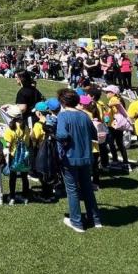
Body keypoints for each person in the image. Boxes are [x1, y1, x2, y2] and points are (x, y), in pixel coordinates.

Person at [55, 88, 101, 233]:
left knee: (73, 190)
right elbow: (94, 134)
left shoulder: (63, 116)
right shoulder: (84, 115)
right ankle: (95, 218)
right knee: (87, 188)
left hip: (70, 158)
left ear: (62, 102)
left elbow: (62, 135)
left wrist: (55, 134)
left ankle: (76, 221)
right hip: (86, 157)